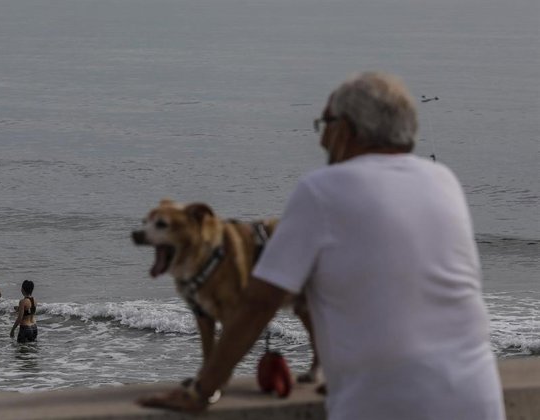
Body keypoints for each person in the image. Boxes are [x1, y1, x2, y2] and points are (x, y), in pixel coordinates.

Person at [138, 71, 506, 419]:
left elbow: (258, 304)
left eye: (325, 125)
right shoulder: (443, 181)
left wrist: (201, 392)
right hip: (476, 396)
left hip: (386, 404)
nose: (321, 139)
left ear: (346, 129)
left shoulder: (323, 190)